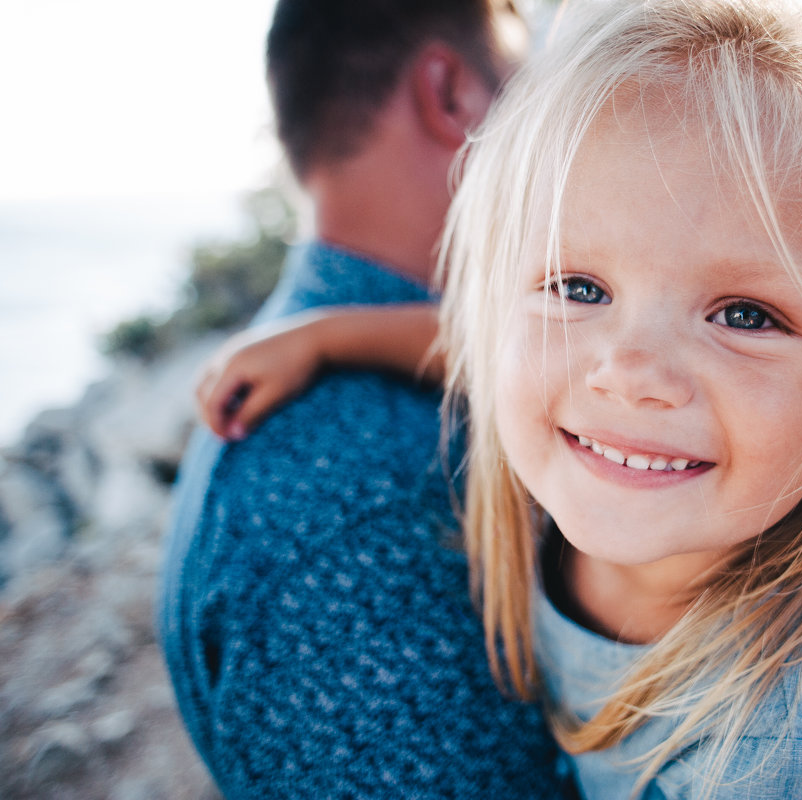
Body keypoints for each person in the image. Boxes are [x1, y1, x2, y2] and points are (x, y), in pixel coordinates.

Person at [192, 0, 802, 797]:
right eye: (579, 286)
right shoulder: (590, 434)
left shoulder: (794, 752)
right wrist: (330, 333)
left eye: (744, 312)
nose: (631, 370)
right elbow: (501, 345)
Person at [156, 1, 563, 797]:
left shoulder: (328, 380)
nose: (554, 136)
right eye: (525, 89)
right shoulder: (351, 493)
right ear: (450, 95)